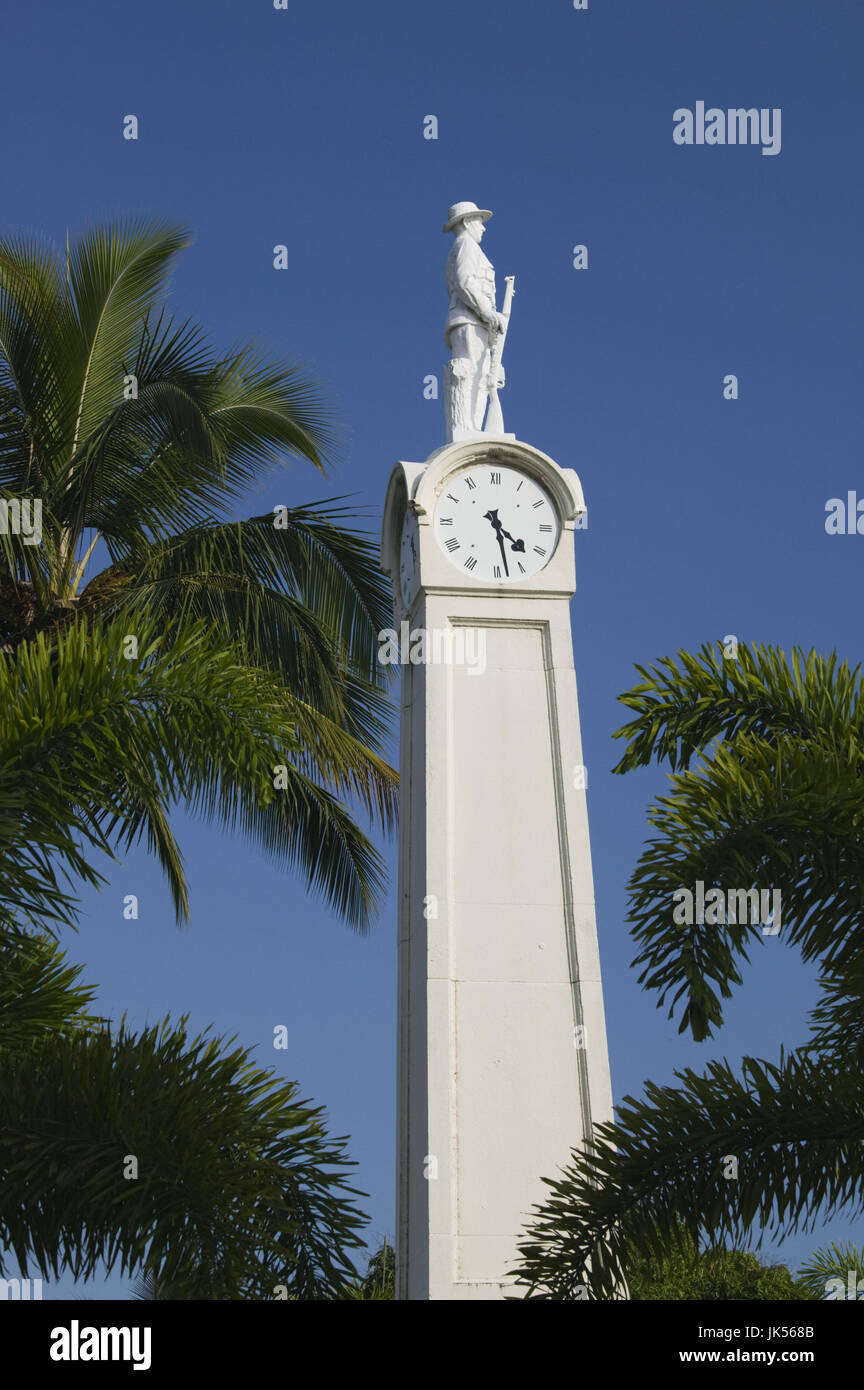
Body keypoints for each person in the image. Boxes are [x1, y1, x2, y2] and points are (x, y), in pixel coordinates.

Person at [443, 202, 506, 440]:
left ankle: (473, 429)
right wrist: (487, 312)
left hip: (476, 322)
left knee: (482, 377)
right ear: (468, 222)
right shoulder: (467, 245)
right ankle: (467, 429)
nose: (483, 228)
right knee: (470, 375)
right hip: (469, 320)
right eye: (479, 222)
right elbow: (464, 282)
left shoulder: (466, 247)